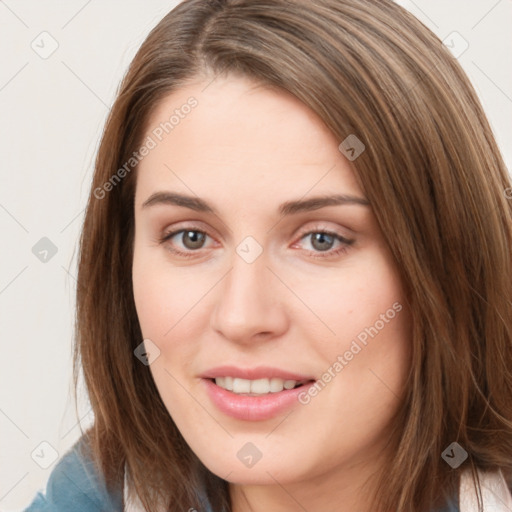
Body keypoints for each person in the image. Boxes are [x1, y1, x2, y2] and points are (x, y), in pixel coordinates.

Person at [24, 0, 512, 511]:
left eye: (322, 239)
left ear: (449, 260)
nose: (241, 317)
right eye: (190, 237)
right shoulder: (92, 494)